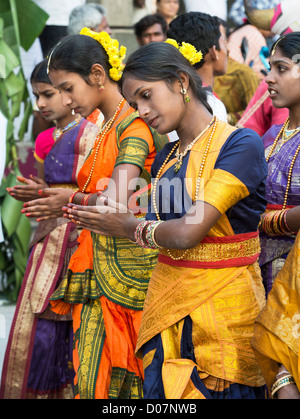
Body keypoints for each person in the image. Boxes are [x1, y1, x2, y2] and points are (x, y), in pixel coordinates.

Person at [64, 41, 269, 399]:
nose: (143, 110)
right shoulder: (167, 159)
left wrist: (128, 227)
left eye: (147, 95)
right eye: (134, 104)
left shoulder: (239, 144)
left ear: (180, 81)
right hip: (168, 313)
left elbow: (189, 231)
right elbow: (144, 216)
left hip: (224, 314)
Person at [23, 29, 169, 399]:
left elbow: (119, 199)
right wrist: (55, 195)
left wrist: (65, 202)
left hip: (127, 277)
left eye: (68, 88)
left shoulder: (133, 128)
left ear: (98, 76)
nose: (67, 100)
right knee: (89, 379)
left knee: (120, 382)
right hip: (96, 266)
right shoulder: (107, 126)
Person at [0, 60, 99, 399]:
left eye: (48, 94)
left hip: (82, 232)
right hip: (49, 235)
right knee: (39, 318)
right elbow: (49, 185)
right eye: (35, 96)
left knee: (73, 318)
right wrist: (37, 190)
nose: (40, 104)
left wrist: (51, 195)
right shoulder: (45, 138)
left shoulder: (95, 131)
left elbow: (102, 187)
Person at [254, 33, 300, 296]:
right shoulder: (270, 135)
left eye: (281, 69)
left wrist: (264, 222)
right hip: (259, 273)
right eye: (270, 68)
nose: (269, 78)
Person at [167, 12, 228, 122]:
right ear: (214, 51)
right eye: (224, 42)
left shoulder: (169, 96)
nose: (228, 50)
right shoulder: (211, 105)